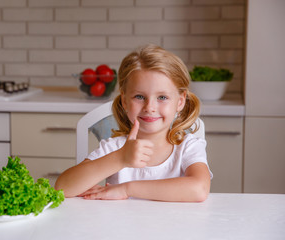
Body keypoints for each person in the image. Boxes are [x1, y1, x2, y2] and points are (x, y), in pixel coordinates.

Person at [55, 44, 212, 202]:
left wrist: (126, 189)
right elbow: (62, 188)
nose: (149, 108)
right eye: (139, 97)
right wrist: (121, 158)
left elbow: (199, 189)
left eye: (162, 97)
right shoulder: (115, 148)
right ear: (124, 100)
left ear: (180, 101)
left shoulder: (188, 147)